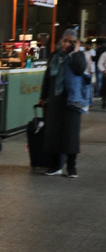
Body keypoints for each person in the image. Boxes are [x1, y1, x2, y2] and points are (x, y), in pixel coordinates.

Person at [39, 29, 90, 178]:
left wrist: (75, 52)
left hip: (72, 101)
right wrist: (43, 96)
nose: (66, 44)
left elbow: (79, 70)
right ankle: (55, 166)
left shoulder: (78, 56)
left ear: (75, 43)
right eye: (64, 40)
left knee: (71, 134)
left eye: (70, 41)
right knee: (53, 133)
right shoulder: (55, 55)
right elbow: (48, 77)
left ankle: (71, 167)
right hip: (55, 99)